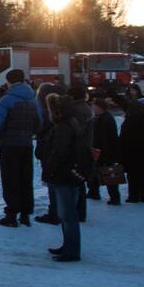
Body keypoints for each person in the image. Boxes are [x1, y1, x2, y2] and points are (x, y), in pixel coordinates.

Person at [0, 69, 41, 227]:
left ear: (9, 81)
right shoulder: (33, 99)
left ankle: (11, 214)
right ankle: (26, 214)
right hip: (26, 144)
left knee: (10, 179)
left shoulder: (7, 99)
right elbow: (39, 121)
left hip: (9, 145)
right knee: (26, 178)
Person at [44, 93, 84, 263]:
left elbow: (60, 152)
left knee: (67, 215)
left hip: (63, 175)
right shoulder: (71, 123)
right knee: (68, 214)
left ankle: (71, 250)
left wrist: (49, 170)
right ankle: (68, 245)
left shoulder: (63, 127)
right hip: (68, 174)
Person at [34, 82, 66, 224]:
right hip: (59, 152)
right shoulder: (66, 112)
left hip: (49, 152)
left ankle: (55, 212)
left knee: (52, 181)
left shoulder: (45, 113)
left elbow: (39, 128)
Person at [120, 100, 144, 203]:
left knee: (133, 175)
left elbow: (123, 138)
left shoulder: (129, 121)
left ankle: (134, 196)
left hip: (132, 153)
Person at [65, 86, 94, 222]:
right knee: (79, 181)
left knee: (75, 182)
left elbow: (75, 131)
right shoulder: (86, 108)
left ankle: (77, 212)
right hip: (85, 148)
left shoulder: (75, 110)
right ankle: (80, 212)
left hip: (78, 149)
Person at [92, 98, 124, 205]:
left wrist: (102, 153)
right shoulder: (103, 118)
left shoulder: (104, 119)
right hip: (105, 151)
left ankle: (114, 197)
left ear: (99, 108)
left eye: (94, 106)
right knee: (109, 175)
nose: (93, 108)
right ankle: (112, 196)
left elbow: (104, 138)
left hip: (105, 152)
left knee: (110, 174)